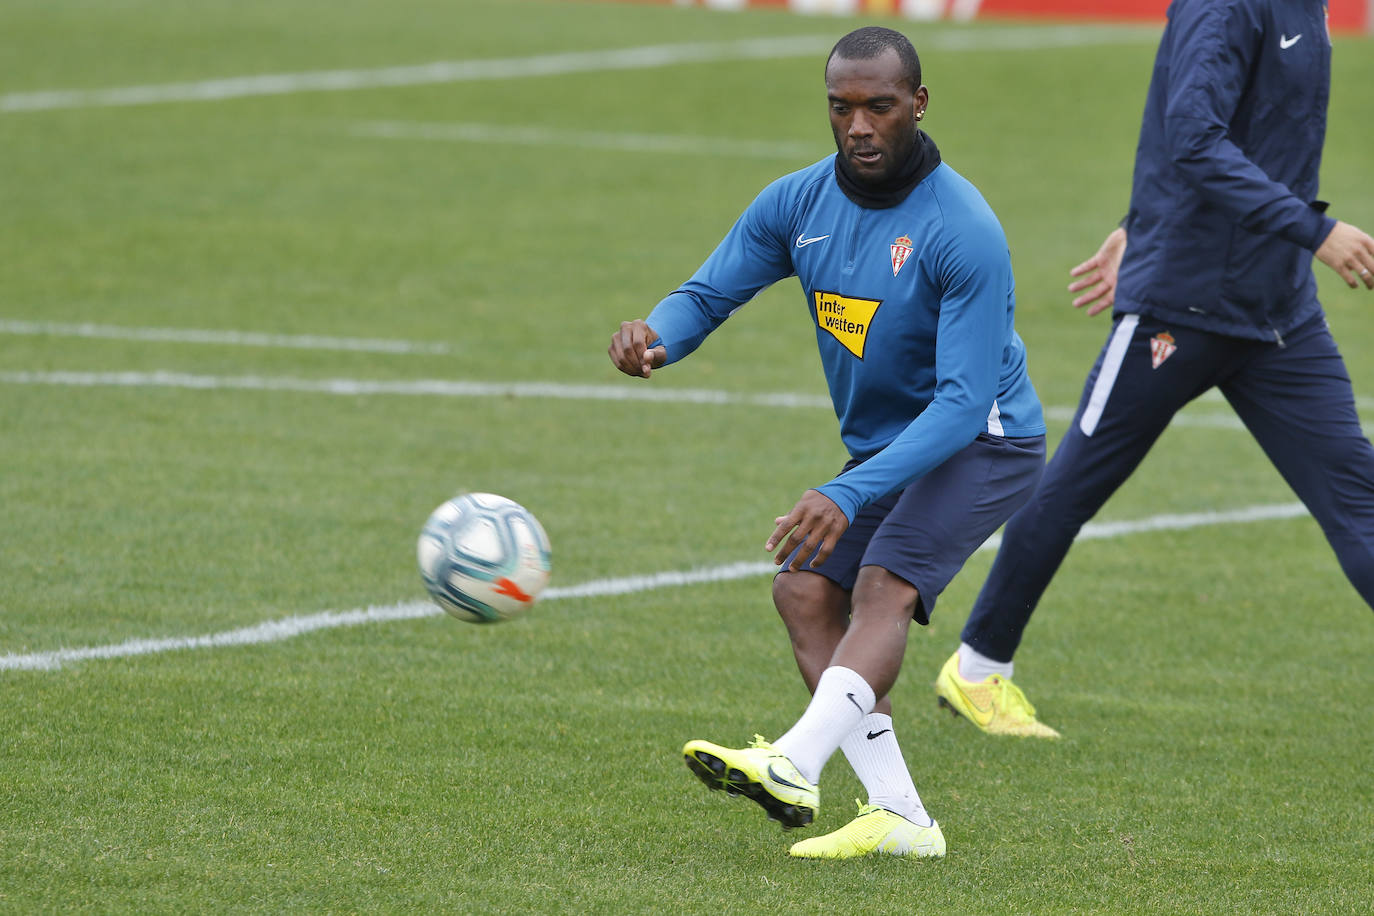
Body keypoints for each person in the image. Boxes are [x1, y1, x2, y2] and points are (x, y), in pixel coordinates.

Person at [609, 27, 1046, 859]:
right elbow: (706, 294)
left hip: (986, 441)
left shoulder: (965, 230)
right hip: (890, 446)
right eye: (842, 108)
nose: (859, 127)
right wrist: (655, 336)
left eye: (879, 107)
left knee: (882, 585)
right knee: (805, 593)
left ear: (917, 103)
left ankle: (794, 761)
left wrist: (846, 491)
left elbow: (960, 406)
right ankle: (902, 817)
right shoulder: (798, 203)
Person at [934, 0, 1374, 738]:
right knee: (1073, 485)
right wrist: (1314, 230)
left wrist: (1139, 222)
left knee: (1357, 495)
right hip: (1184, 304)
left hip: (1276, 309)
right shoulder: (1223, 5)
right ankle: (977, 671)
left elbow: (1253, 134)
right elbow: (1193, 137)